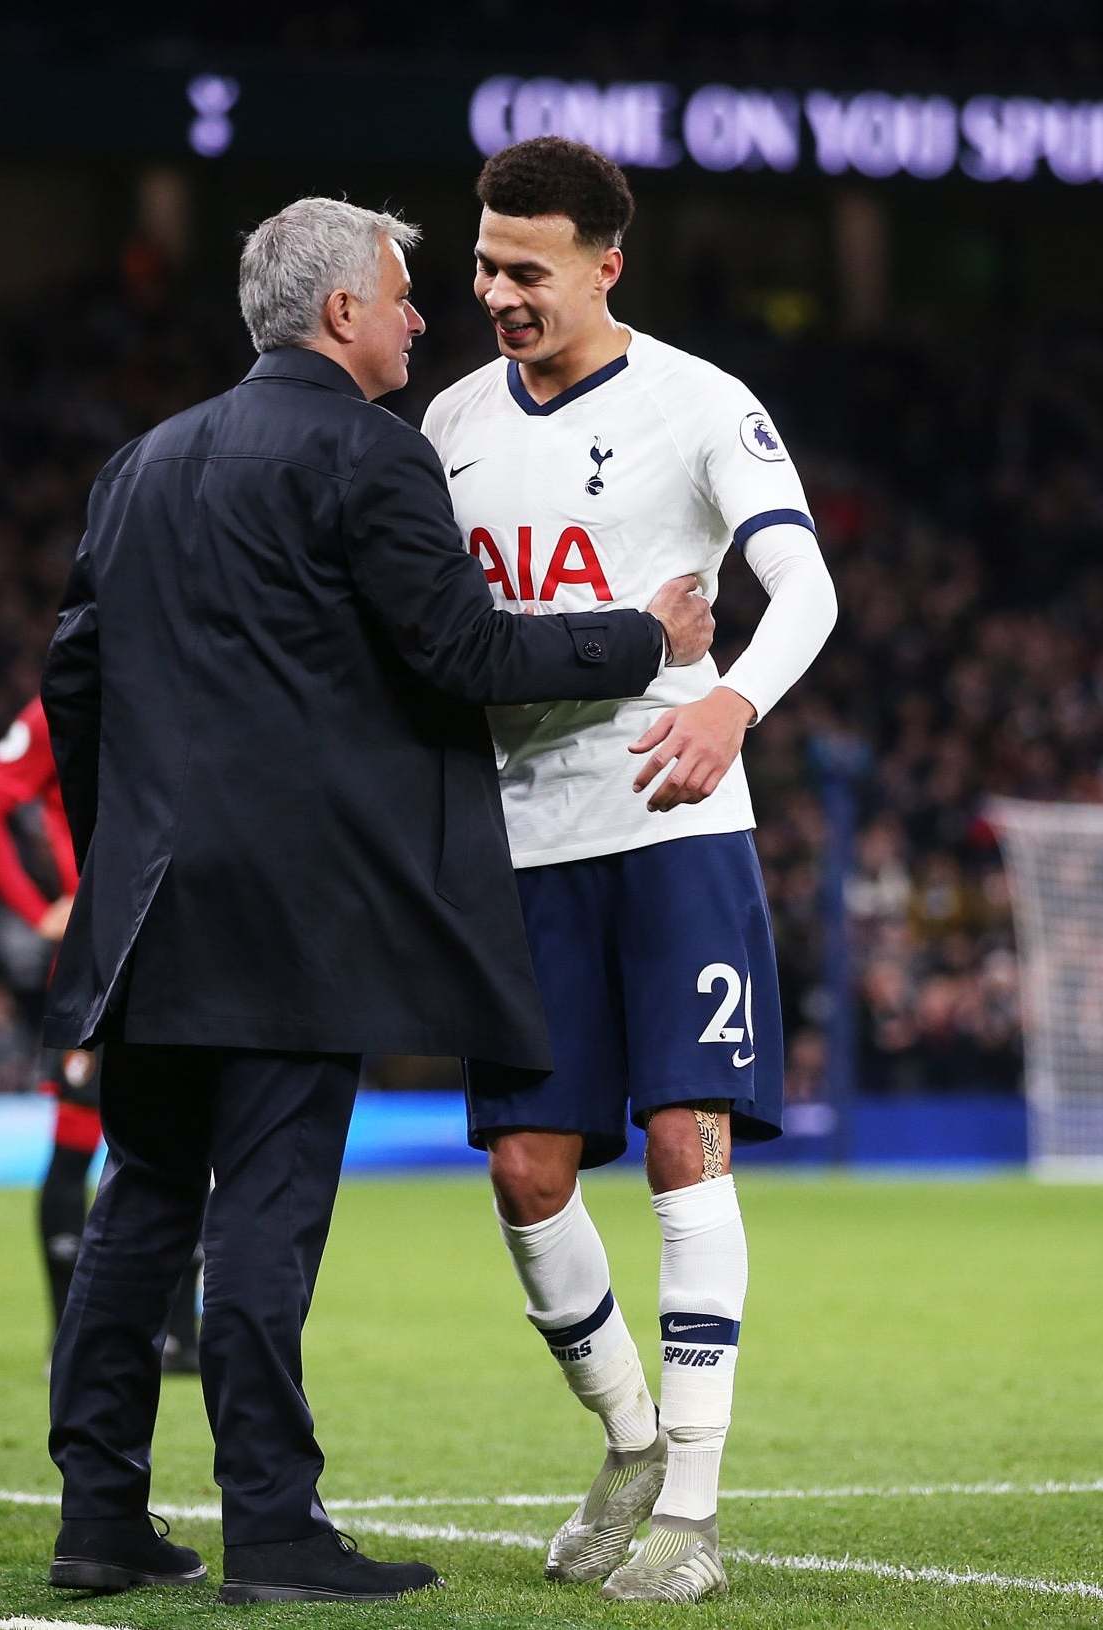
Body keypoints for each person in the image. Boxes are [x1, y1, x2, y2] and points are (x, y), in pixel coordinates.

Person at [37, 196, 713, 1604]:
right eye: (404, 295)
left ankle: (98, 1516)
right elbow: (462, 649)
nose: (423, 316)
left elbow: (73, 685)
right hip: (295, 916)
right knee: (263, 1217)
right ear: (341, 311)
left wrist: (121, 857)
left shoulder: (140, 464)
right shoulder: (368, 455)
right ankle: (271, 1526)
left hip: (152, 907)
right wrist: (644, 635)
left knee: (142, 1198)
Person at [420, 137, 837, 1602]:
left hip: (671, 829)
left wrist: (730, 703)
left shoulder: (702, 403)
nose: (497, 293)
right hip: (522, 841)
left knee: (682, 1141)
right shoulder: (452, 420)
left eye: (526, 270)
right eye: (483, 264)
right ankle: (628, 1438)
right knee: (526, 1170)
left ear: (608, 264)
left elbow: (807, 585)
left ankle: (694, 1517)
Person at [0, 697, 203, 1370]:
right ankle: (159, 1335)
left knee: (131, 1143)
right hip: (147, 958)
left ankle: (122, 1338)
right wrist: (39, 914)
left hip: (148, 957)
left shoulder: (77, 698)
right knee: (166, 1142)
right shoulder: (86, 701)